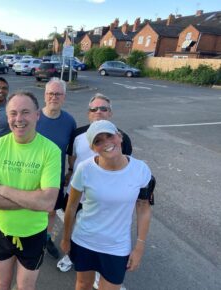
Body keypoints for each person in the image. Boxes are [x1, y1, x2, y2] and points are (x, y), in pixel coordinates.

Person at [0, 91, 61, 290]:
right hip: (1, 230)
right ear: (7, 117)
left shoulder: (50, 151)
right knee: (2, 284)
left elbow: (47, 203)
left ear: (37, 115)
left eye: (25, 112)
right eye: (13, 113)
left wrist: (1, 188)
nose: (19, 119)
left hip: (33, 233)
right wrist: (32, 200)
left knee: (25, 287)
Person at [61, 120, 155, 290]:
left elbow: (143, 209)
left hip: (117, 246)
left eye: (109, 136)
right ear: (92, 148)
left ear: (119, 137)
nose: (106, 143)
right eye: (98, 141)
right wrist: (66, 238)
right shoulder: (84, 168)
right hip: (84, 240)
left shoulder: (141, 170)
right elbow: (72, 206)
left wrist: (139, 247)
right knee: (83, 285)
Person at [57, 94, 132, 285]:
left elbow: (126, 167)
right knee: (73, 222)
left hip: (104, 198)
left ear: (111, 112)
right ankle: (71, 255)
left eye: (103, 108)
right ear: (88, 114)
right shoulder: (78, 134)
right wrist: (71, 172)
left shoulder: (122, 138)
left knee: (100, 228)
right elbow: (72, 157)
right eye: (94, 109)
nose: (98, 112)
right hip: (79, 193)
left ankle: (101, 263)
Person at [36, 77, 76, 259]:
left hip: (55, 176)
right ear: (45, 95)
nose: (54, 97)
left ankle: (45, 238)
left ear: (64, 97)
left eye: (58, 94)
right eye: (51, 93)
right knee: (31, 208)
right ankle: (31, 239)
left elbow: (70, 150)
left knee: (51, 210)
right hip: (31, 175)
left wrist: (69, 170)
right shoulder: (34, 117)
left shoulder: (69, 121)